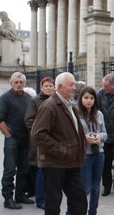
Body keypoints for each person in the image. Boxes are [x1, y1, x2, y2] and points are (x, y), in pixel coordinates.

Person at [31, 72, 87, 215]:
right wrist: (62, 151)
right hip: (54, 164)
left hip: (71, 163)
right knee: (53, 204)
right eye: (71, 85)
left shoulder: (71, 106)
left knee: (79, 200)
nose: (75, 88)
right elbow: (38, 134)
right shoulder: (49, 106)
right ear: (60, 87)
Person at [0, 72, 32, 209]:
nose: (18, 84)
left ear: (24, 83)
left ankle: (20, 195)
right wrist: (8, 136)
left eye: (21, 82)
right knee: (10, 170)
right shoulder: (5, 98)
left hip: (26, 139)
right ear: (11, 83)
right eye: (16, 82)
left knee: (24, 169)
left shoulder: (29, 98)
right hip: (12, 140)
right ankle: (8, 198)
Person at [24, 77, 55, 210]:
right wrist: (39, 135)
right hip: (40, 143)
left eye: (51, 85)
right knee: (41, 170)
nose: (48, 88)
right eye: (46, 86)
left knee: (52, 171)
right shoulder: (34, 101)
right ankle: (40, 199)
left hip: (55, 142)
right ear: (41, 88)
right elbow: (28, 120)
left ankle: (49, 196)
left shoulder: (56, 100)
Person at [78, 87, 107, 215]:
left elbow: (105, 133)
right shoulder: (76, 114)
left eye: (91, 98)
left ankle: (92, 212)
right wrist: (85, 138)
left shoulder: (99, 114)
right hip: (85, 155)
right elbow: (72, 135)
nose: (89, 101)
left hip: (99, 154)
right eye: (86, 98)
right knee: (85, 188)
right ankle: (76, 211)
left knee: (96, 187)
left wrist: (100, 137)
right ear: (81, 99)